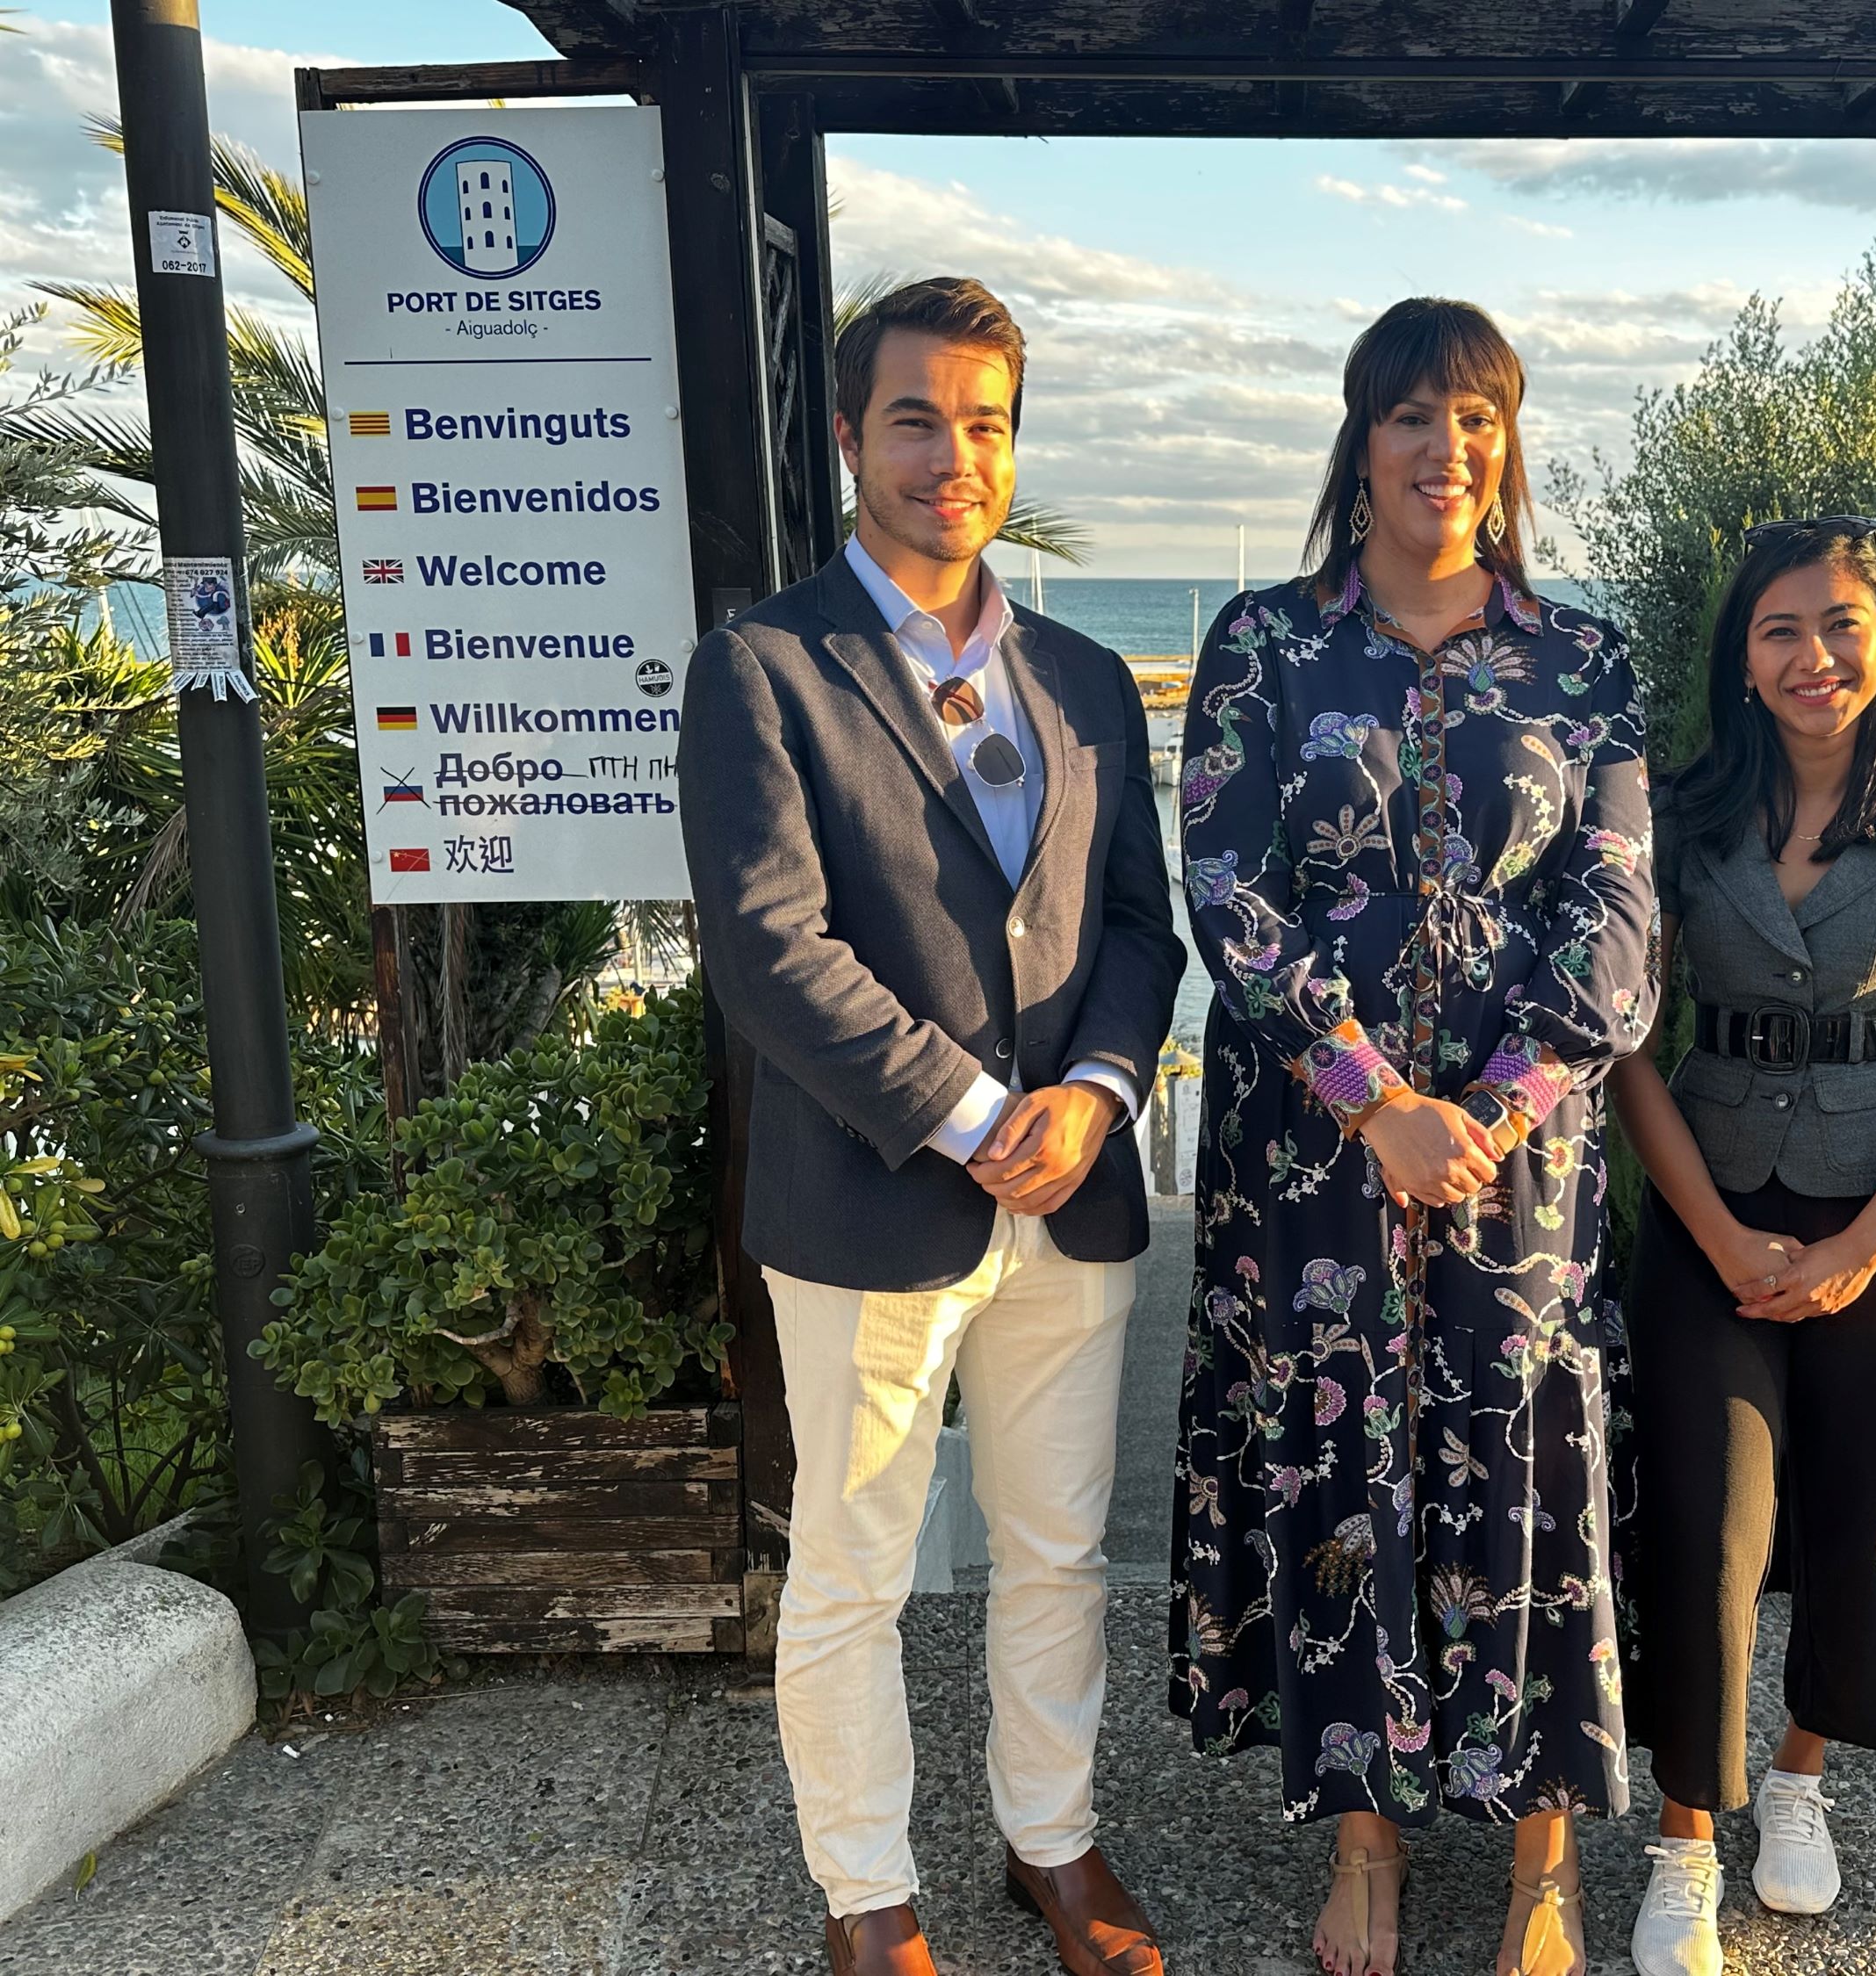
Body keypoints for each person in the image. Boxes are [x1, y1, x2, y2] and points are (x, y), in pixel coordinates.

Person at [678, 277, 1186, 1976]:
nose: (951, 456)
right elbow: (768, 944)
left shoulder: (1091, 678)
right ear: (848, 435)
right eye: (915, 417)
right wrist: (976, 1113)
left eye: (984, 423)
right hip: (875, 1195)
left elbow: (1136, 925)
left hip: (1075, 1198)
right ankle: (868, 1891)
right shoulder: (762, 667)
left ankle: (1053, 1842)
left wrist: (1096, 1096)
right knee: (856, 1563)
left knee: (1058, 1548)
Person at [1168, 298, 1660, 1976]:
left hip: (1520, 1161)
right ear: (1357, 438)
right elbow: (1224, 890)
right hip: (1320, 1155)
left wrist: (1498, 1107)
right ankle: (1364, 1839)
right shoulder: (1260, 644)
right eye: (1410, 417)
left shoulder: (1584, 661)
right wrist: (1374, 1097)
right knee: (1344, 1456)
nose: (1444, 450)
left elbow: (1619, 914)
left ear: (1504, 446)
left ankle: (1544, 1853)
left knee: (1525, 1451)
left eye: (1475, 419)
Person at [1607, 519, 1876, 1976]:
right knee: (1709, 1521)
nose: (1813, 655)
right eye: (1781, 629)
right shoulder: (1673, 815)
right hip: (1708, 1211)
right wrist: (1714, 1231)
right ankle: (1683, 1842)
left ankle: (1798, 1779)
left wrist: (1859, 1244)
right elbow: (1628, 1050)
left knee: (1865, 1510)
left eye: (1841, 624)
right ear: (1744, 655)